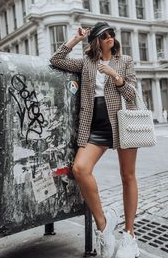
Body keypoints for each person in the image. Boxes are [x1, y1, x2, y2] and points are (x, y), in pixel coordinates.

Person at [50, 22, 140, 258]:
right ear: (96, 41)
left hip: (122, 123)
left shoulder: (125, 60)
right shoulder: (86, 63)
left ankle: (129, 236)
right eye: (104, 35)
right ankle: (104, 226)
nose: (110, 37)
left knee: (127, 176)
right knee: (80, 168)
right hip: (95, 127)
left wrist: (115, 75)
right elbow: (56, 60)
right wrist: (76, 39)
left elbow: (132, 94)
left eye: (112, 34)